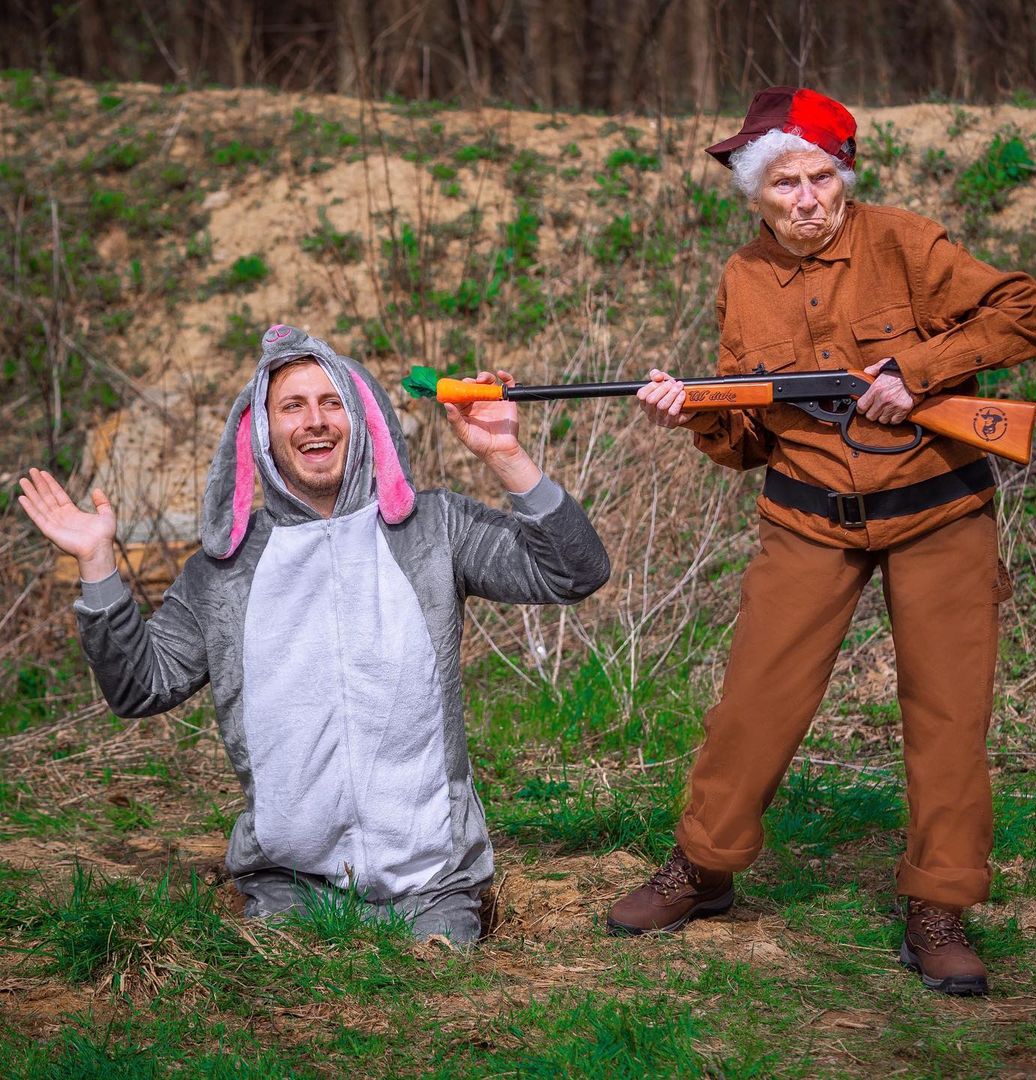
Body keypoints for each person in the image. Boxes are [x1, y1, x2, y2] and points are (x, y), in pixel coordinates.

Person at [606, 87, 1036, 995]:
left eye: (821, 178)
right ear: (755, 194)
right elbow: (745, 443)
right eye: (784, 184)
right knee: (754, 702)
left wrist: (916, 371)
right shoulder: (743, 279)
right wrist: (690, 412)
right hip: (807, 515)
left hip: (938, 511)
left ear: (844, 180)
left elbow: (1027, 313)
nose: (806, 198)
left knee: (947, 715)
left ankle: (939, 905)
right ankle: (704, 867)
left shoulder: (905, 240)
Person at [20, 323, 610, 944]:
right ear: (261, 431)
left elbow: (573, 572)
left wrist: (503, 455)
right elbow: (139, 687)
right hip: (287, 890)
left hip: (432, 886)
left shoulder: (433, 528)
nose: (315, 421)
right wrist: (96, 563)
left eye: (332, 402)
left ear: (363, 418)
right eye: (292, 406)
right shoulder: (224, 571)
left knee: (427, 1022)